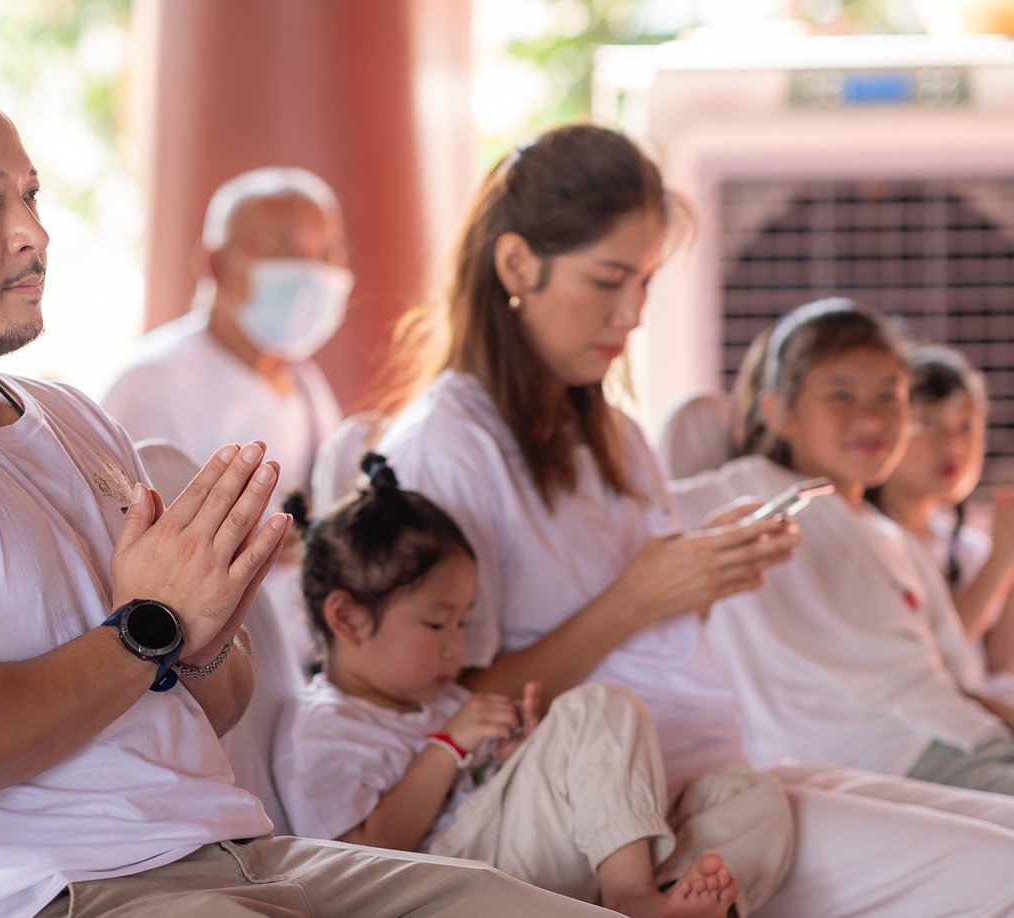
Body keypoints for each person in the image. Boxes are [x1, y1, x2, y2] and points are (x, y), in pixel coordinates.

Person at [0, 32, 619, 918]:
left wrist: (200, 621)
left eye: (30, 194)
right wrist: (147, 627)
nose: (33, 231)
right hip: (56, 894)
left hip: (240, 857)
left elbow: (217, 701)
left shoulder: (71, 417)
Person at [370, 123, 1014, 917]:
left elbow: (649, 636)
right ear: (516, 265)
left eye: (644, 283)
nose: (631, 314)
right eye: (609, 280)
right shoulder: (448, 444)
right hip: (578, 807)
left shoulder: (609, 433)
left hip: (697, 776)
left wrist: (709, 573)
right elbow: (445, 707)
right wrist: (644, 594)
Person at [276, 452, 744, 918]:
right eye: (437, 624)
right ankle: (633, 898)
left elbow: (486, 797)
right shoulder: (321, 728)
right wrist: (447, 746)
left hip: (518, 862)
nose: (455, 646)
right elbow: (359, 861)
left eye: (463, 623)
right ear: (347, 617)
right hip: (444, 884)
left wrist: (511, 761)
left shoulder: (442, 700)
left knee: (744, 798)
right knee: (597, 707)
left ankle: (657, 898)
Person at [670, 299, 1014, 796]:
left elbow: (960, 678)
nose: (871, 418)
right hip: (877, 759)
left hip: (968, 742)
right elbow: (632, 511)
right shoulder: (752, 490)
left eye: (889, 397)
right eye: (841, 396)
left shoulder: (894, 538)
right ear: (779, 413)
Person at [102, 167, 351, 668]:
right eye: (287, 254)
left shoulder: (304, 380)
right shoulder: (153, 383)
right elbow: (119, 544)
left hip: (302, 657)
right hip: (200, 663)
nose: (313, 274)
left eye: (325, 254)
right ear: (216, 265)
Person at [867, 342, 1014, 680]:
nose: (952, 444)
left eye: (966, 426)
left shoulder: (968, 549)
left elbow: (1000, 668)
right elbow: (932, 664)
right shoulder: (869, 541)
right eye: (928, 422)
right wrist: (1000, 559)